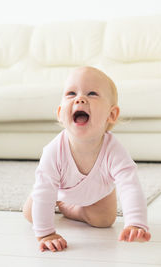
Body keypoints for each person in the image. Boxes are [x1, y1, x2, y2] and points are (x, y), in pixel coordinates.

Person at [23, 66, 151, 252]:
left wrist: (136, 223)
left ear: (111, 115)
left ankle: (71, 209)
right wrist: (46, 234)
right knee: (30, 212)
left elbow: (130, 185)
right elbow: (44, 191)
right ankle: (58, 200)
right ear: (60, 113)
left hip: (98, 191)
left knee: (105, 220)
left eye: (92, 93)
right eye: (71, 93)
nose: (80, 98)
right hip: (59, 188)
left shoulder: (114, 151)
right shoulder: (53, 151)